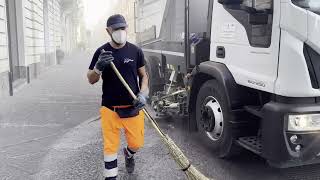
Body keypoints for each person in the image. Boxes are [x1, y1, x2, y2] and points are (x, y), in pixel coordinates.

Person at [87, 14, 149, 180]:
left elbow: (144, 76)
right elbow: (91, 79)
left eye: (123, 28)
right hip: (110, 109)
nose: (121, 32)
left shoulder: (135, 51)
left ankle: (129, 154)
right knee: (109, 149)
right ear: (108, 31)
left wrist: (143, 94)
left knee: (137, 143)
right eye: (116, 29)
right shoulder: (101, 52)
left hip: (132, 107)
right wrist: (99, 67)